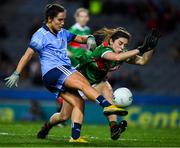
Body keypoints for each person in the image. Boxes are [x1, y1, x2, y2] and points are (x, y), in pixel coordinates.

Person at [4, 4, 127, 143]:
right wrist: (17, 73)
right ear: (50, 19)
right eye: (60, 20)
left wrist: (90, 38)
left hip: (57, 76)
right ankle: (107, 105)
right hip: (55, 70)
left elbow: (80, 38)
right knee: (83, 83)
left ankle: (55, 130)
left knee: (74, 106)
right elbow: (27, 55)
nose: (62, 23)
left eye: (64, 20)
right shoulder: (40, 35)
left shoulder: (62, 32)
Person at [37, 27, 161, 140]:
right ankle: (47, 127)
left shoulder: (123, 53)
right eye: (120, 43)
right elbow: (116, 58)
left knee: (107, 88)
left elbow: (143, 61)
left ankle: (113, 128)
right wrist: (141, 49)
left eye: (125, 45)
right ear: (111, 41)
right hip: (76, 83)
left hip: (96, 83)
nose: (122, 47)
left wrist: (150, 48)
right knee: (63, 116)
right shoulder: (103, 50)